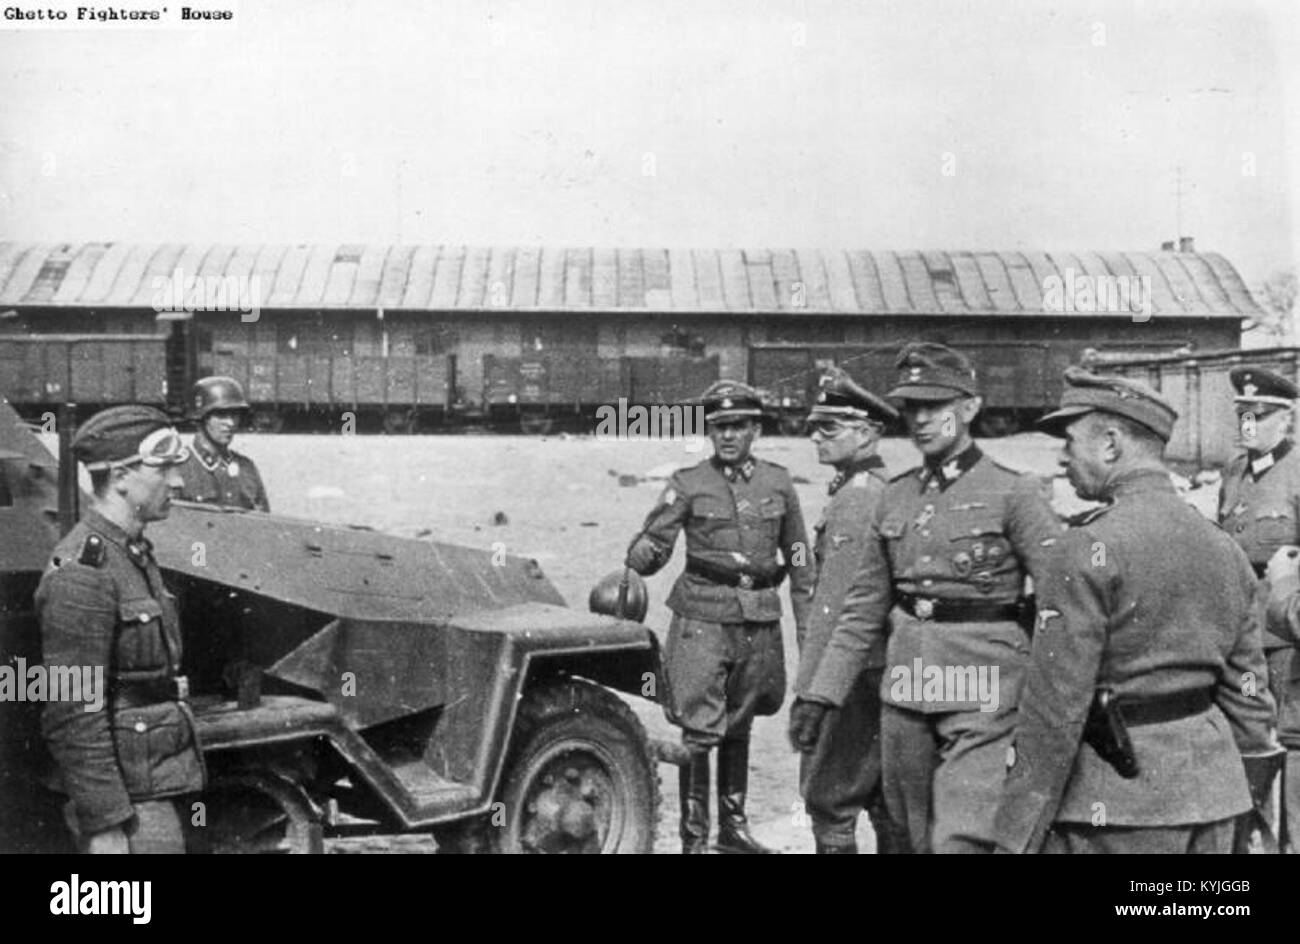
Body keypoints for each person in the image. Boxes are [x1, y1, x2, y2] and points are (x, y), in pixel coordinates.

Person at [787, 342, 1060, 853]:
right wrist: (820, 695)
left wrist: (1050, 695)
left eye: (936, 406)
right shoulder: (895, 495)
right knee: (909, 831)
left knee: (961, 834)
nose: (922, 419)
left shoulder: (1014, 492)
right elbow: (863, 609)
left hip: (982, 685)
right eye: (913, 407)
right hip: (907, 687)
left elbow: (1061, 603)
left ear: (970, 408)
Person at [992, 368, 1278, 854]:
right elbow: (1249, 689)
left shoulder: (1084, 548)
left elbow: (1055, 709)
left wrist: (1015, 836)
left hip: (1115, 806)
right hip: (1212, 797)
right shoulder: (1223, 546)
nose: (1062, 458)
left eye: (1070, 441)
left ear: (1110, 443)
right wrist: (1246, 797)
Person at [626, 379, 814, 853]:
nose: (727, 436)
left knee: (742, 719)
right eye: (719, 427)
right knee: (698, 726)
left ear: (756, 429)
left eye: (738, 426)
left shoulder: (779, 482)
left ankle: (732, 828)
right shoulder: (689, 483)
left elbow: (798, 557)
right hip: (702, 616)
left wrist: (809, 629)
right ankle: (694, 837)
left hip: (759, 621)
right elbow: (653, 543)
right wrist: (642, 556)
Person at [37, 405, 205, 853]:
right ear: (121, 477)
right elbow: (70, 708)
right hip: (125, 804)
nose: (177, 480)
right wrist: (106, 823)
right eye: (164, 468)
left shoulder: (130, 555)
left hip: (150, 781)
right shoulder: (83, 569)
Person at [793, 367, 905, 854]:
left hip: (850, 676)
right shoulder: (867, 487)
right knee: (880, 794)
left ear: (867, 433)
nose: (816, 435)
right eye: (816, 426)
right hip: (873, 668)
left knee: (830, 797)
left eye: (830, 428)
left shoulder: (859, 499)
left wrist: (813, 693)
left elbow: (835, 610)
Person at [1218, 365, 1300, 850]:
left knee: (1284, 739)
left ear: (1286, 421)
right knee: (1243, 734)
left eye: (1259, 416)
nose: (1247, 426)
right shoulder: (1233, 471)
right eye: (1242, 415)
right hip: (1238, 629)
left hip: (1283, 637)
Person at [177, 376, 270, 511]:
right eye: (221, 415)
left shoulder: (247, 468)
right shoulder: (179, 468)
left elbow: (265, 524)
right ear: (201, 418)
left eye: (234, 415)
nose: (230, 423)